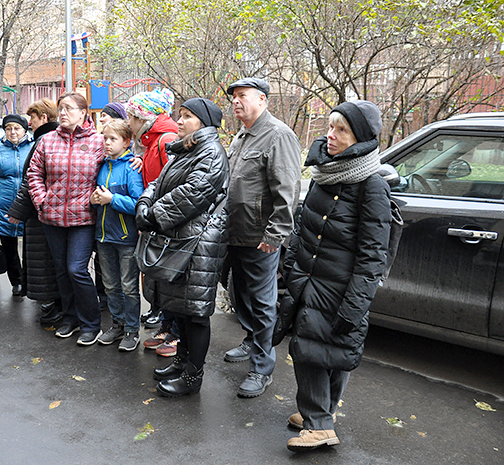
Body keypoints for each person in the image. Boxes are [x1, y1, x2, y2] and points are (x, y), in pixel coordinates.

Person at [283, 100, 391, 451]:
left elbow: (373, 253)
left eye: (341, 129)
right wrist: (292, 268)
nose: (330, 135)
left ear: (359, 137)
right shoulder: (325, 172)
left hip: (340, 286)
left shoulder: (371, 185)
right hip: (311, 277)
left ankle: (319, 425)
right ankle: (321, 413)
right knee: (321, 347)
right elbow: (302, 223)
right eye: (330, 126)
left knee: (317, 348)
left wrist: (355, 303)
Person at [136, 98, 229, 397]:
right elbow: (158, 182)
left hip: (198, 243)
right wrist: (145, 202)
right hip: (181, 239)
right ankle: (182, 362)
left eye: (187, 116)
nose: (179, 121)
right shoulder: (185, 150)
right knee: (183, 309)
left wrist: (152, 215)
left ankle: (193, 377)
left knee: (196, 314)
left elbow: (192, 194)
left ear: (203, 123)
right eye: (180, 115)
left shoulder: (211, 153)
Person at [223, 77, 302, 398]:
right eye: (234, 97)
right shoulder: (242, 135)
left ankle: (261, 367)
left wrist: (276, 234)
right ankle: (251, 339)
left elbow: (288, 190)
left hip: (260, 237)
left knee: (262, 301)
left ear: (263, 100)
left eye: (243, 96)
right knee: (240, 295)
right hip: (235, 233)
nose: (236, 102)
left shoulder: (278, 135)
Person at [27, 92, 105, 345]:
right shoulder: (48, 140)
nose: (63, 113)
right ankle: (70, 318)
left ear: (83, 112)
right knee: (61, 270)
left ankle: (91, 323)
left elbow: (117, 162)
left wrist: (134, 159)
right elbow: (34, 174)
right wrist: (41, 200)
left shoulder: (97, 141)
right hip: (52, 217)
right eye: (61, 108)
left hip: (84, 218)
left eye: (69, 108)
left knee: (77, 269)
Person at [125, 87, 181, 353]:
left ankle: (176, 334)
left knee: (171, 279)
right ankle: (167, 327)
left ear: (144, 118)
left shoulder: (165, 139)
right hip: (159, 222)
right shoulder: (151, 142)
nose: (128, 123)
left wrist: (156, 217)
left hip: (167, 223)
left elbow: (173, 183)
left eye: (131, 117)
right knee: (160, 279)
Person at [7, 99, 62, 325]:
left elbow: (31, 182)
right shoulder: (51, 139)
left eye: (33, 117)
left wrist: (17, 212)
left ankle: (50, 309)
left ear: (44, 118)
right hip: (48, 211)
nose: (30, 122)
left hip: (41, 213)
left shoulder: (43, 142)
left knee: (43, 263)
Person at [90, 120, 144, 351]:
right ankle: (117, 324)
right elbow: (96, 196)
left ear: (126, 141)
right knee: (111, 286)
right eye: (105, 138)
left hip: (126, 238)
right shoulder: (101, 166)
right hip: (104, 237)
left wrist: (112, 199)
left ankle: (132, 330)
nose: (107, 143)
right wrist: (94, 200)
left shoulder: (132, 167)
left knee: (129, 286)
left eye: (113, 139)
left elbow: (139, 203)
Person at [0, 114, 33, 296]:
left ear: (24, 129)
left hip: (28, 205)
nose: (13, 132)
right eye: (8, 128)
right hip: (2, 206)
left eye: (17, 128)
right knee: (9, 247)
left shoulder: (33, 147)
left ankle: (32, 282)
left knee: (31, 248)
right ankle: (17, 282)